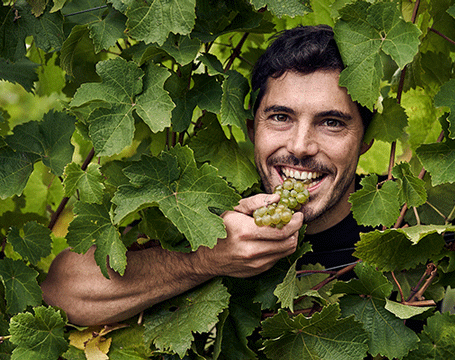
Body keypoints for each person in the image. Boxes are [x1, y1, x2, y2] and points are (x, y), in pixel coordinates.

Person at [41, 24, 374, 326]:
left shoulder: (402, 234)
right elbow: (62, 293)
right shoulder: (204, 203)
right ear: (251, 129)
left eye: (331, 122)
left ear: (365, 140)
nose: (301, 146)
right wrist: (204, 259)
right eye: (280, 117)